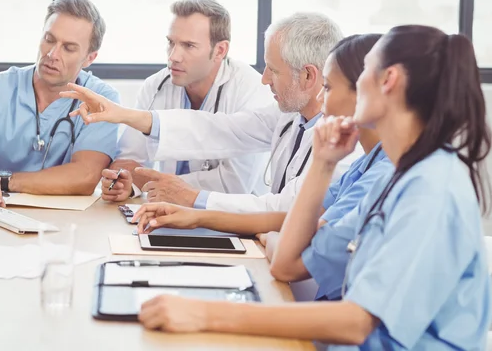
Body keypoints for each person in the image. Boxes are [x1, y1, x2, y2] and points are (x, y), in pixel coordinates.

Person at [133, 25, 492, 350]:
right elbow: (290, 259)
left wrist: (205, 314)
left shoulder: (432, 188)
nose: (325, 96)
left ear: (389, 81)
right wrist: (323, 161)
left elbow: (356, 322)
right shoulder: (394, 176)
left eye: (361, 72)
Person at [133, 33, 394, 302]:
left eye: (327, 87)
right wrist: (195, 216)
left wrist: (321, 163)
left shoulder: (377, 173)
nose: (320, 97)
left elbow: (288, 258)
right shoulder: (366, 163)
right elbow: (293, 219)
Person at [62, 12, 363, 212]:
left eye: (273, 70)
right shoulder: (287, 116)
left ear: (309, 76)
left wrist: (193, 198)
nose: (265, 79)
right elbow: (218, 129)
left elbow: (282, 207)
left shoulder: (345, 142)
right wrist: (123, 114)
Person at [0, 0, 120, 207]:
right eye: (49, 39)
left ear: (90, 58)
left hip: (63, 221)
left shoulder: (102, 100)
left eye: (69, 48)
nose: (52, 54)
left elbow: (85, 177)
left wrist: (0, 181)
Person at [100, 0, 272, 206]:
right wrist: (123, 182)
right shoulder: (156, 85)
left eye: (189, 45)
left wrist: (148, 182)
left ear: (220, 50)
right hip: (164, 211)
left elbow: (233, 185)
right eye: (171, 43)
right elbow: (128, 160)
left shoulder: (251, 89)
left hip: (232, 219)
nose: (174, 56)